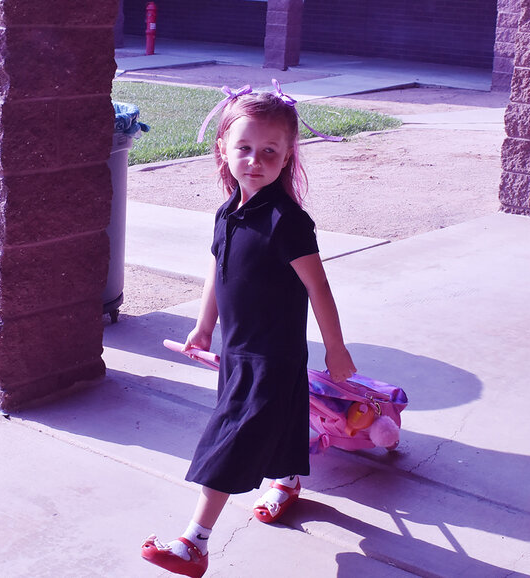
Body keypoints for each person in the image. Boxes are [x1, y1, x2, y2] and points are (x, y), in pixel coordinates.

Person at [141, 82, 356, 578]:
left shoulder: (288, 222)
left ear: (286, 157)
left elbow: (319, 289)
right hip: (238, 351)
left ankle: (194, 543)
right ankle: (285, 480)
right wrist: (202, 326)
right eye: (244, 148)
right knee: (271, 425)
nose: (254, 160)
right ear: (223, 149)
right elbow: (218, 269)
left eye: (269, 151)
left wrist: (337, 350)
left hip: (273, 356)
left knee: (232, 437)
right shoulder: (228, 212)